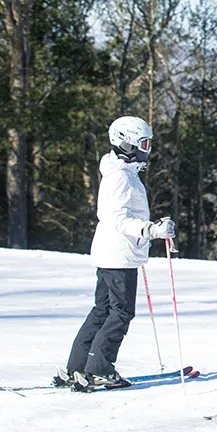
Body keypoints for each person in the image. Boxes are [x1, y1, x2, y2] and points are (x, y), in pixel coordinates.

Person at [59, 116, 176, 390]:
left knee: (103, 310)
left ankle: (77, 367)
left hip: (114, 253)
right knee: (120, 312)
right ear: (128, 143)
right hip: (118, 255)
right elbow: (116, 218)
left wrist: (148, 229)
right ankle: (98, 368)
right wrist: (150, 230)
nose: (148, 149)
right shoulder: (121, 177)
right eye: (144, 143)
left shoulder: (124, 172)